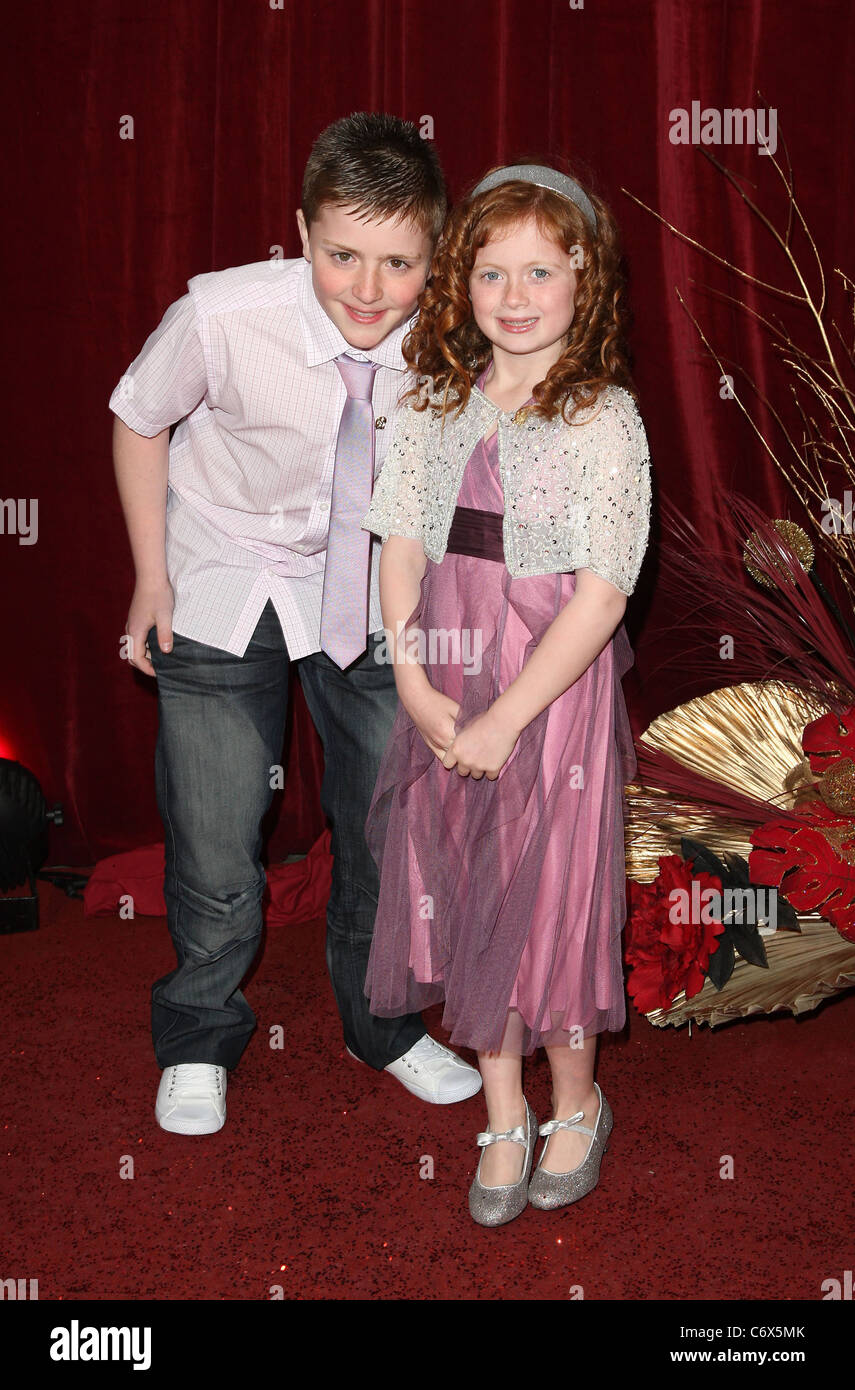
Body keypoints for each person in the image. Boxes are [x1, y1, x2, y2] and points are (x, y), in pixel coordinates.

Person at [108, 112, 482, 1137]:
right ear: (302, 230)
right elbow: (140, 416)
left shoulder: (461, 334)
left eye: (399, 262)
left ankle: (384, 1025)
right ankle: (197, 1031)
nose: (368, 288)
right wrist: (151, 577)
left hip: (371, 586)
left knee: (383, 827)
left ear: (436, 251)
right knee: (221, 831)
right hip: (224, 571)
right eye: (340, 254)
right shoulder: (224, 315)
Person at [361, 163, 652, 1225]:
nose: (516, 295)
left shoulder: (602, 418)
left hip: (547, 689)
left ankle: (577, 1099)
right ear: (461, 282)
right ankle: (503, 1105)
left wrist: (505, 715)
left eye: (541, 269)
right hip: (448, 666)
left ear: (586, 276)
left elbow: (605, 592)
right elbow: (399, 543)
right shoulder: (434, 401)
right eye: (493, 272)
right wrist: (412, 676)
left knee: (553, 898)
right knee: (470, 878)